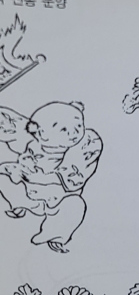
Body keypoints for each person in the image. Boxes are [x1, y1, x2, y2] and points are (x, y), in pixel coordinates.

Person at [0, 101, 102, 252]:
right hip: (31, 192)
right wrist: (20, 170)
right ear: (39, 133)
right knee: (3, 177)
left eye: (78, 126)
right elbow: (13, 131)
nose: (74, 133)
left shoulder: (84, 146)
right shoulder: (33, 144)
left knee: (75, 205)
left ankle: (55, 234)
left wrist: (35, 177)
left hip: (59, 200)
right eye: (63, 130)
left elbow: (71, 177)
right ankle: (20, 204)